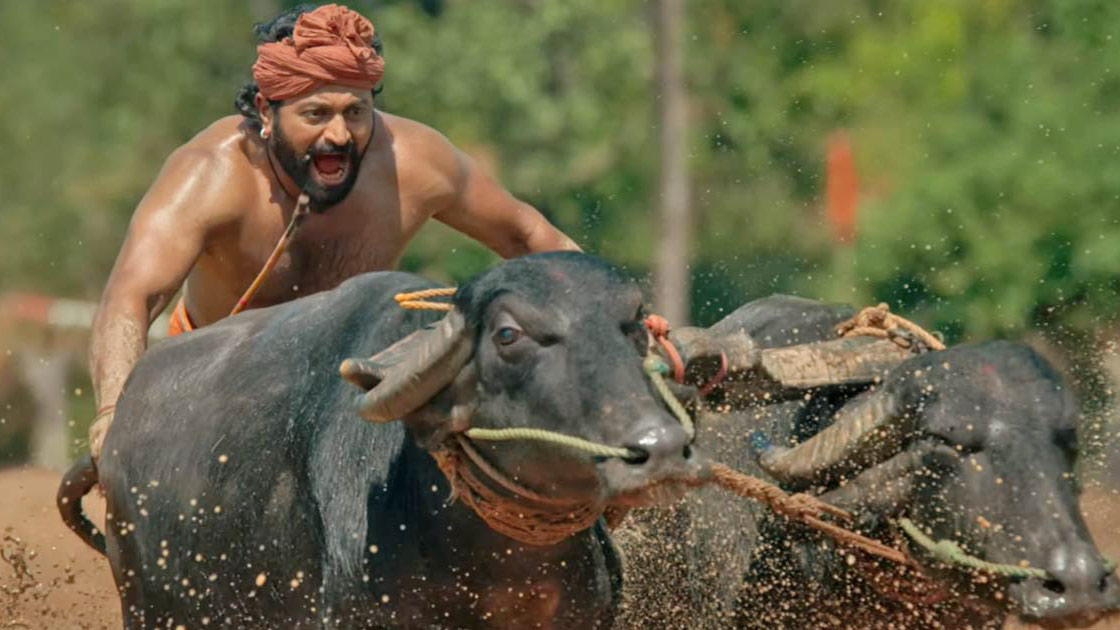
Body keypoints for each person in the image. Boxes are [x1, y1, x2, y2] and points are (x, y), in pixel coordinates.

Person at [87, 3, 579, 463]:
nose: (340, 135)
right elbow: (131, 298)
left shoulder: (415, 162)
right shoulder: (209, 174)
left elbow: (530, 237)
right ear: (265, 110)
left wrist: (618, 327)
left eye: (356, 112)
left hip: (358, 391)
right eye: (316, 114)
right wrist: (114, 416)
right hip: (216, 388)